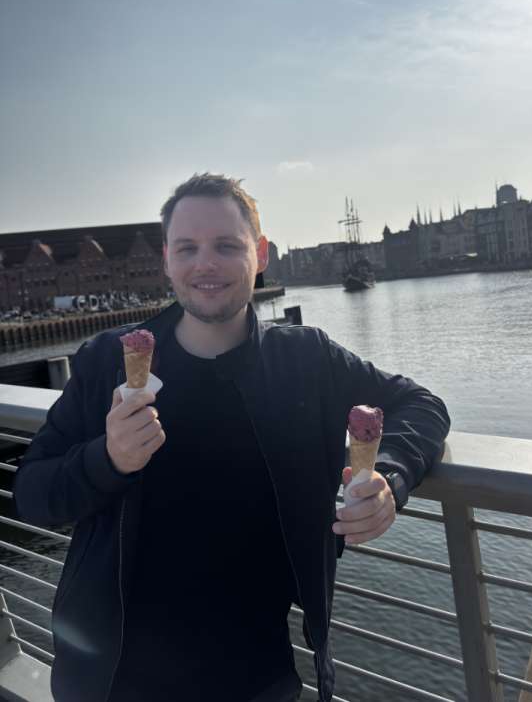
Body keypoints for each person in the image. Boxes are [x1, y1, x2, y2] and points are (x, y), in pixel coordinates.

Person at [13, 174, 450, 702]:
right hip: (115, 680)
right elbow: (32, 494)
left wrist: (391, 477)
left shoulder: (304, 359)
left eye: (226, 245)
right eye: (187, 248)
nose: (206, 264)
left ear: (260, 254)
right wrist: (107, 458)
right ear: (167, 263)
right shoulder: (107, 361)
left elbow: (421, 405)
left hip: (257, 675)